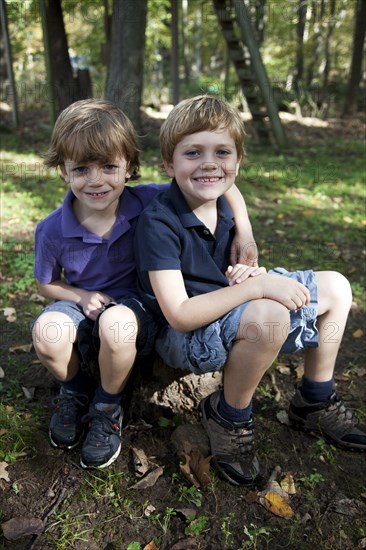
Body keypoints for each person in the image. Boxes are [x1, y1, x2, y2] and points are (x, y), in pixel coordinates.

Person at [135, 95, 366, 486]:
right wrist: (258, 286)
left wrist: (245, 230)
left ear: (237, 162)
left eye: (222, 152)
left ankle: (314, 397)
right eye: (193, 152)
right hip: (184, 331)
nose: (209, 163)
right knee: (270, 314)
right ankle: (230, 414)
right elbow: (179, 313)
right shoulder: (159, 222)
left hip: (231, 296)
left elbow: (229, 189)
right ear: (169, 164)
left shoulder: (220, 192)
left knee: (338, 289)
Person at [31, 98, 257, 470]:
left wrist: (244, 230)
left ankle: (107, 405)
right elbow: (47, 284)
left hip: (135, 309)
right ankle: (73, 390)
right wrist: (81, 295)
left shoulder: (148, 201)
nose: (96, 180)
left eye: (108, 167)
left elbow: (222, 185)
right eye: (81, 169)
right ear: (63, 171)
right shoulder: (52, 229)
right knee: (47, 333)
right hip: (80, 302)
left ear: (129, 167)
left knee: (116, 326)